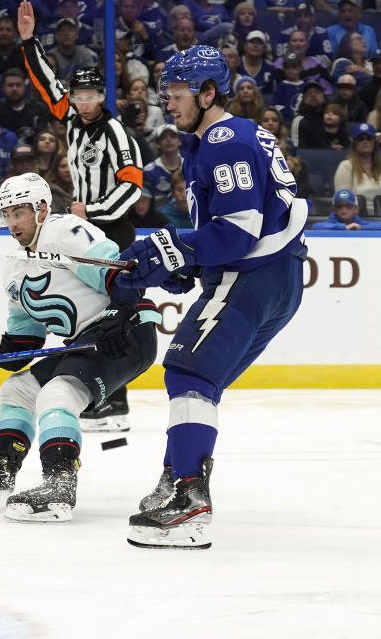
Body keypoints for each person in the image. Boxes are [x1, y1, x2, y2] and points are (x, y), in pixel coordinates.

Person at [115, 45, 308, 549]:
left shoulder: (224, 138)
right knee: (199, 379)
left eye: (176, 94)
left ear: (206, 93)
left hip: (254, 273)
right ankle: (178, 477)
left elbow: (240, 230)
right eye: (165, 94)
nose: (168, 104)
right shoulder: (215, 140)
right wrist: (187, 262)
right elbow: (231, 230)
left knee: (188, 371)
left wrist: (169, 247)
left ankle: (189, 497)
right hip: (273, 278)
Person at [0, 172, 159, 522]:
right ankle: (1, 473)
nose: (12, 223)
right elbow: (24, 343)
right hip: (84, 343)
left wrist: (119, 311)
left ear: (42, 209)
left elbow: (121, 270)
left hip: (126, 331)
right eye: (6, 214)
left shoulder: (64, 231)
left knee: (58, 395)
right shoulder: (15, 269)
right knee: (18, 389)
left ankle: (59, 485)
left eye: (19, 212)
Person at [19, 0, 145, 431]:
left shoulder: (114, 131)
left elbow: (133, 185)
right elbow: (46, 82)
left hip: (111, 226)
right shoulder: (70, 117)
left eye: (91, 96)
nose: (84, 102)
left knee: (115, 314)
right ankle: (105, 397)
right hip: (87, 226)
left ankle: (114, 402)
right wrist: (28, 40)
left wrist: (90, 210)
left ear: (103, 97)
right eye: (79, 95)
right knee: (93, 313)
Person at [333, 123, 381, 207]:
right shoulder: (346, 166)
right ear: (354, 143)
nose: (365, 142)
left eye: (369, 139)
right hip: (357, 216)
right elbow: (343, 198)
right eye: (360, 139)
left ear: (374, 142)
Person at [0, 68, 51, 145]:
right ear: (3, 88)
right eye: (10, 85)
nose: (14, 89)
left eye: (18, 85)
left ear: (24, 87)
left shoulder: (39, 109)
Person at [143, 124, 184, 205]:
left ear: (179, 141)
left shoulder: (191, 166)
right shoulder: (148, 172)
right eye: (163, 137)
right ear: (157, 144)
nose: (168, 140)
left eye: (172, 136)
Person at [310, 188, 381, 230]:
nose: (344, 209)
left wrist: (361, 227)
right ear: (334, 210)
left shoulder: (358, 221)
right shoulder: (331, 220)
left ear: (356, 209)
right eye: (339, 206)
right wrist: (344, 227)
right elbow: (316, 226)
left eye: (348, 206)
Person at [291, 80, 330, 148]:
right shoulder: (299, 120)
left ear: (324, 99)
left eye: (317, 92)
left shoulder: (331, 118)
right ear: (303, 99)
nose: (313, 95)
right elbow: (297, 151)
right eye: (308, 93)